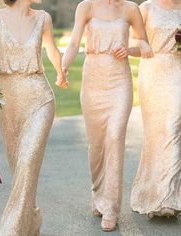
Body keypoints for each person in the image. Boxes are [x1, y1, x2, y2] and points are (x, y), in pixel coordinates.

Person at [62, 0, 153, 231]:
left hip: (119, 81)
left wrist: (131, 50)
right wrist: (63, 67)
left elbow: (145, 45)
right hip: (92, 79)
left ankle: (111, 208)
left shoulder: (130, 9)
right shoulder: (87, 7)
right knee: (96, 146)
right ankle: (98, 194)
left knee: (114, 138)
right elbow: (73, 42)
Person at [0, 0, 68, 235]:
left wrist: (61, 73)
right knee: (21, 171)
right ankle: (30, 222)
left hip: (40, 98)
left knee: (28, 163)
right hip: (8, 102)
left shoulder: (43, 18)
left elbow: (51, 49)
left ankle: (10, 230)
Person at [129, 0, 181, 219]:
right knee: (154, 135)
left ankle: (169, 198)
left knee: (172, 130)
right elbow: (132, 44)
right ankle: (151, 195)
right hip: (152, 73)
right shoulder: (146, 8)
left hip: (179, 73)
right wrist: (140, 48)